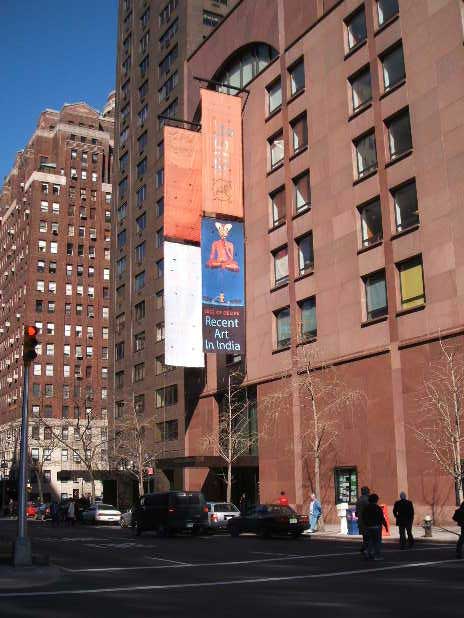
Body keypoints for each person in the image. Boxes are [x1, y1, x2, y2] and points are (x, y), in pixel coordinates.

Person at [362, 493, 388, 560]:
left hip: (368, 527)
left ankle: (368, 552)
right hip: (376, 527)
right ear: (376, 500)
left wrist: (365, 525)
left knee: (370, 541)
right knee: (377, 542)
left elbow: (363, 517)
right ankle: (377, 555)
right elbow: (381, 518)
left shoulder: (366, 507)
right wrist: (385, 526)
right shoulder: (378, 508)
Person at [356, 486, 370, 554]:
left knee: (365, 536)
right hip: (367, 521)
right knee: (369, 536)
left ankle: (364, 546)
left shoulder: (359, 500)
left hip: (360, 521)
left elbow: (356, 512)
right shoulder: (367, 500)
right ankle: (366, 548)